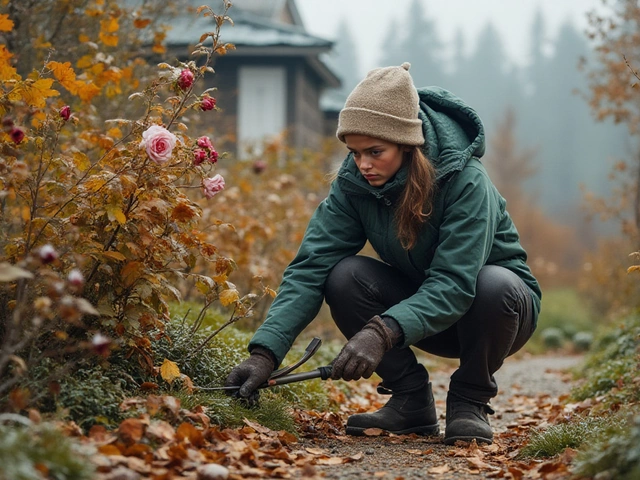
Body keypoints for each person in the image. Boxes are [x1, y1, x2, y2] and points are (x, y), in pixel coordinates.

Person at [225, 62, 541, 445]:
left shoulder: (466, 182)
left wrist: (381, 331)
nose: (363, 165)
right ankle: (410, 400)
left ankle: (470, 401)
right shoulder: (354, 184)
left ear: (409, 144)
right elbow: (310, 268)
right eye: (354, 152)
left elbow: (455, 284)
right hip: (422, 315)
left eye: (375, 151)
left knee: (493, 283)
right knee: (343, 275)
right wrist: (265, 353)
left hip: (495, 315)